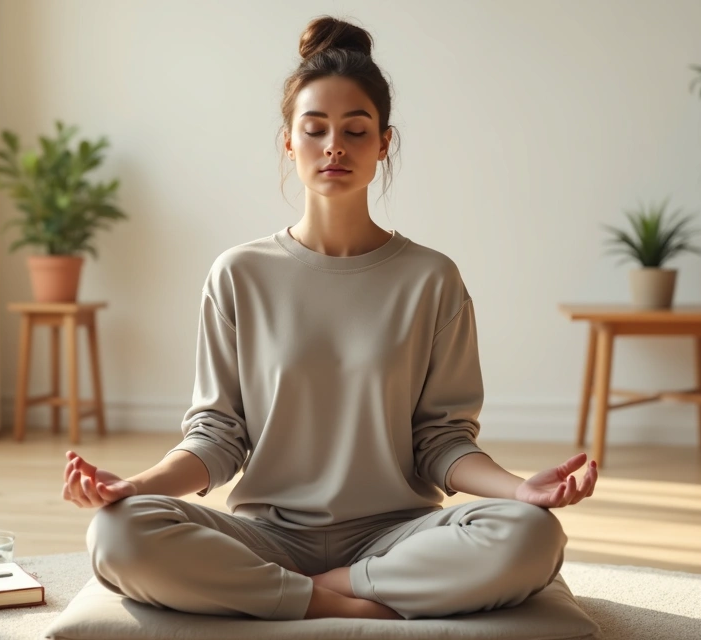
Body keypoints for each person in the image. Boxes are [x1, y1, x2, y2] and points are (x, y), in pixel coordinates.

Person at [61, 15, 597, 622]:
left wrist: (521, 490)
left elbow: (441, 442)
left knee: (532, 535)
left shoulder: (432, 278)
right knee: (117, 534)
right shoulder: (238, 274)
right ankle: (345, 601)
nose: (334, 146)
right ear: (289, 142)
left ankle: (307, 589)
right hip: (267, 537)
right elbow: (217, 437)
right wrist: (133, 487)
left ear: (384, 142)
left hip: (398, 535)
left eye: (355, 130)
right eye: (314, 130)